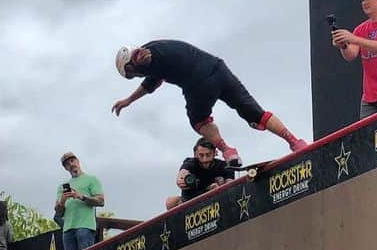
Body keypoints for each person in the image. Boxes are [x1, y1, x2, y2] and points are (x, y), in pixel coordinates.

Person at [111, 40, 307, 164]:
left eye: (130, 73)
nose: (134, 76)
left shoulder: (146, 55)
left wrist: (140, 60)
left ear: (129, 63)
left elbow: (144, 57)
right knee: (256, 114)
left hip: (198, 83)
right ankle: (295, 142)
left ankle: (227, 151)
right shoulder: (156, 61)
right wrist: (129, 100)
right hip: (218, 69)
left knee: (199, 121)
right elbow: (151, 84)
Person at [165, 137, 235, 210]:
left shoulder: (224, 166)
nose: (205, 159)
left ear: (215, 153)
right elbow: (183, 173)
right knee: (171, 201)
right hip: (190, 203)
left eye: (208, 155)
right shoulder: (191, 163)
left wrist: (220, 189)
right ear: (196, 154)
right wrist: (181, 180)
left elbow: (231, 187)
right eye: (201, 155)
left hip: (215, 202)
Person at [54, 152, 104, 250]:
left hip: (85, 227)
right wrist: (63, 200)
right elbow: (58, 213)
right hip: (68, 230)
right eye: (67, 164)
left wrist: (81, 196)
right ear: (66, 168)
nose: (71, 164)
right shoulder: (62, 187)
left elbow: (101, 201)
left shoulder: (91, 179)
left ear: (77, 161)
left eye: (72, 161)